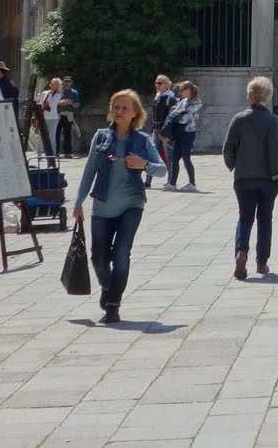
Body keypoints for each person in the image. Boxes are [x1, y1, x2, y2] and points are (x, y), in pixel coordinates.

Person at [73, 88, 166, 324]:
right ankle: (109, 289)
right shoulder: (100, 137)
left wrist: (144, 165)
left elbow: (163, 170)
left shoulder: (143, 141)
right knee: (98, 258)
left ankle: (113, 306)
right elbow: (89, 171)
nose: (119, 111)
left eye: (125, 108)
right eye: (116, 107)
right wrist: (78, 202)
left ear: (135, 113)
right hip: (102, 204)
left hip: (131, 204)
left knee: (121, 254)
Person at [222, 76, 278, 281]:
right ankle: (262, 261)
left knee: (245, 217)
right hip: (268, 180)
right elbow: (276, 151)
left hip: (244, 178)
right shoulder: (273, 121)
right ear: (268, 97)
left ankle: (241, 252)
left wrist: (233, 164)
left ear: (249, 95)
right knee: (265, 219)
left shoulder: (239, 119)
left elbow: (228, 150)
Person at [162, 82, 202, 191]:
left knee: (186, 157)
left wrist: (177, 116)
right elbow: (174, 113)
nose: (180, 93)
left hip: (188, 133)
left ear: (188, 89)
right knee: (175, 158)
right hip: (179, 132)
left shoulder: (196, 102)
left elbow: (184, 119)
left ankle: (192, 183)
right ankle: (172, 183)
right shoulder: (183, 101)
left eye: (182, 90)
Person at [147, 75, 178, 188]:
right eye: (156, 83)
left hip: (165, 131)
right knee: (152, 155)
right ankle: (148, 181)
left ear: (166, 84)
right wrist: (153, 130)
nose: (157, 85)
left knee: (169, 157)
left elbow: (171, 117)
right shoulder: (157, 97)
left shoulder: (170, 98)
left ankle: (170, 181)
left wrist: (165, 132)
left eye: (160, 83)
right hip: (156, 130)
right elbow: (155, 116)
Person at [57, 78, 81, 156]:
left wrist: (71, 103)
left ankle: (67, 152)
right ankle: (56, 151)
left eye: (69, 81)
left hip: (68, 114)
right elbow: (53, 102)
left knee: (67, 134)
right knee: (56, 133)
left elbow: (77, 105)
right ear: (62, 82)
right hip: (58, 114)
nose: (67, 83)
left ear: (71, 83)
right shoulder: (58, 91)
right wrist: (60, 103)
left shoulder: (74, 93)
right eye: (65, 81)